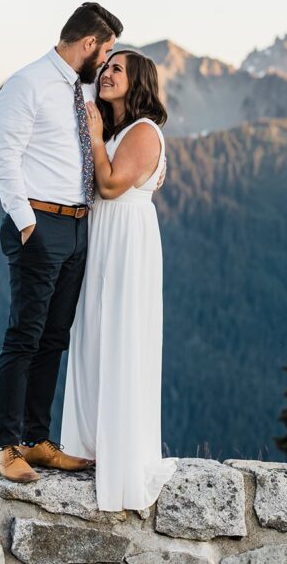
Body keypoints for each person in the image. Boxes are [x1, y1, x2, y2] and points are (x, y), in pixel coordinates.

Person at [0, 2, 123, 481]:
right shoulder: (26, 85)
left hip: (78, 225)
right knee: (23, 336)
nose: (105, 61)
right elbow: (4, 160)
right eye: (105, 51)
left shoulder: (80, 88)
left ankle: (36, 439)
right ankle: (6, 448)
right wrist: (27, 225)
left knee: (53, 339)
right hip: (40, 223)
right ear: (88, 44)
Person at [60, 49, 178, 511]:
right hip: (104, 237)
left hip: (127, 242)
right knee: (93, 334)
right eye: (106, 67)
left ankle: (122, 459)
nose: (107, 73)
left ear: (139, 82)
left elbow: (110, 186)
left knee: (121, 337)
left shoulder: (144, 132)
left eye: (117, 70)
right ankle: (90, 446)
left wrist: (91, 135)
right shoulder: (117, 129)